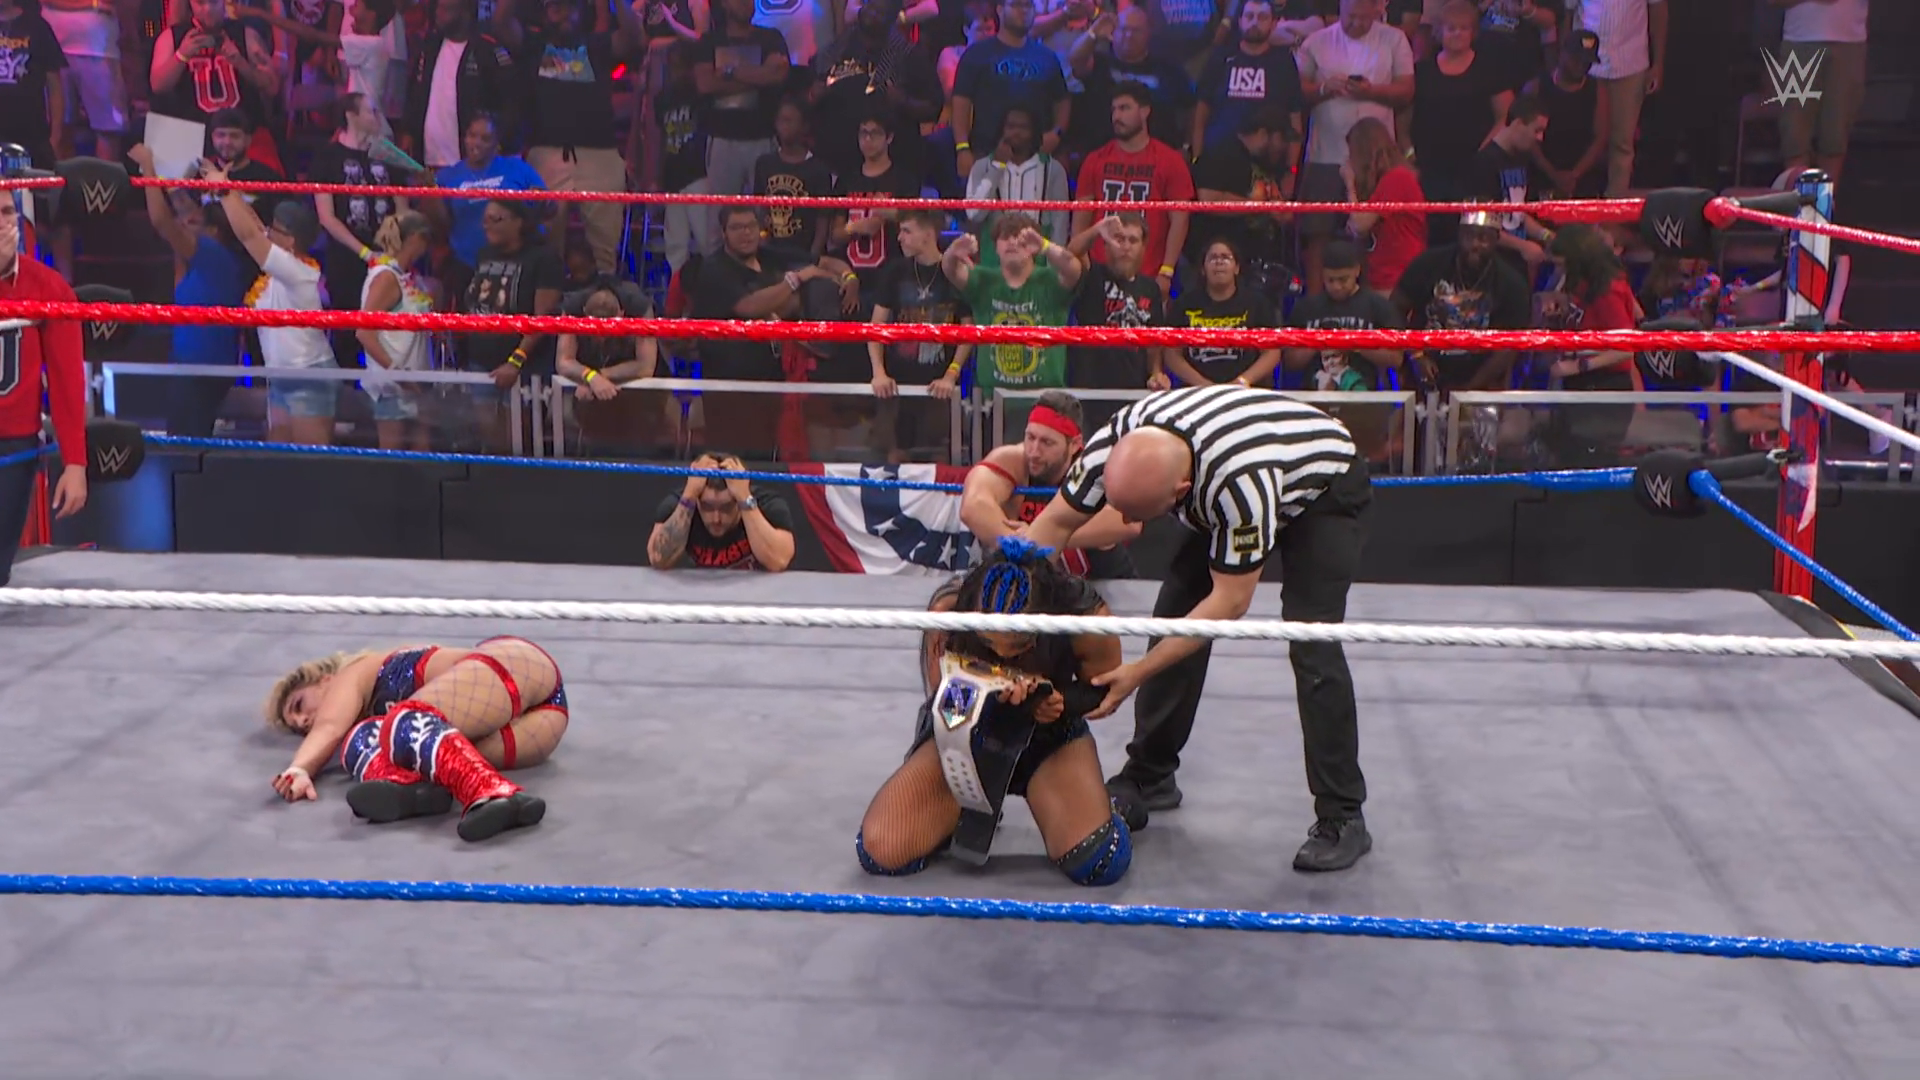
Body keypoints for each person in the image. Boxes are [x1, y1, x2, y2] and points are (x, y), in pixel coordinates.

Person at [1024, 384, 1376, 873]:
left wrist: (1137, 672)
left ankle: (1343, 815)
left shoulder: (1239, 486)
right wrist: (1001, 615)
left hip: (1322, 485)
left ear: (1180, 492)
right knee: (1175, 612)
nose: (1122, 520)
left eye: (1135, 513)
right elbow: (1053, 525)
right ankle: (1150, 774)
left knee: (1311, 640)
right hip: (1228, 466)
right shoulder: (1116, 441)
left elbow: (1229, 602)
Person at [857, 537, 1132, 886]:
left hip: (1048, 736)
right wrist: (984, 696)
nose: (1003, 656)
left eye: (1019, 645)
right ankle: (957, 810)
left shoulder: (1083, 617)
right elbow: (943, 706)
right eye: (989, 644)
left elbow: (1106, 689)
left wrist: (1057, 701)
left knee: (1099, 861)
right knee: (881, 851)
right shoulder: (950, 611)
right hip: (968, 734)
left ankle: (1114, 807)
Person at [265, 635, 569, 842]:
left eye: (299, 706)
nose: (304, 721)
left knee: (402, 721)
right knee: (363, 739)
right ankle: (416, 791)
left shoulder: (353, 674)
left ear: (324, 680)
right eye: (298, 727)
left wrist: (299, 768)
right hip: (538, 725)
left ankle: (495, 794)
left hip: (520, 667)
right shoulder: (373, 721)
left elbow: (329, 726)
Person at [204, 160, 340, 445]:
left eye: (276, 230)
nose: (268, 232)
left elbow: (249, 235)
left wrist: (223, 192)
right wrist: (228, 187)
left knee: (310, 459)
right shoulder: (282, 266)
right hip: (279, 374)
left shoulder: (298, 272)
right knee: (279, 454)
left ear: (291, 240)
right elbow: (254, 224)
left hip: (307, 375)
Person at [0, 193, 88, 588]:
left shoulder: (48, 287)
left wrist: (75, 463)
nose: (2, 223)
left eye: (6, 212)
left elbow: (67, 379)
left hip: (13, 446)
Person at [357, 211, 436, 451]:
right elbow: (364, 332)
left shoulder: (405, 276)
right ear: (415, 239)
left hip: (416, 383)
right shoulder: (386, 278)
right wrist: (399, 375)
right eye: (426, 240)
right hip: (394, 387)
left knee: (423, 456)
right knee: (394, 459)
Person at [647, 454, 797, 571]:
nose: (716, 519)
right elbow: (658, 559)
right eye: (707, 507)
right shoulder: (682, 502)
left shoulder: (767, 504)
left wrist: (744, 499)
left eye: (726, 508)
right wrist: (689, 496)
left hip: (754, 596)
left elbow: (779, 561)